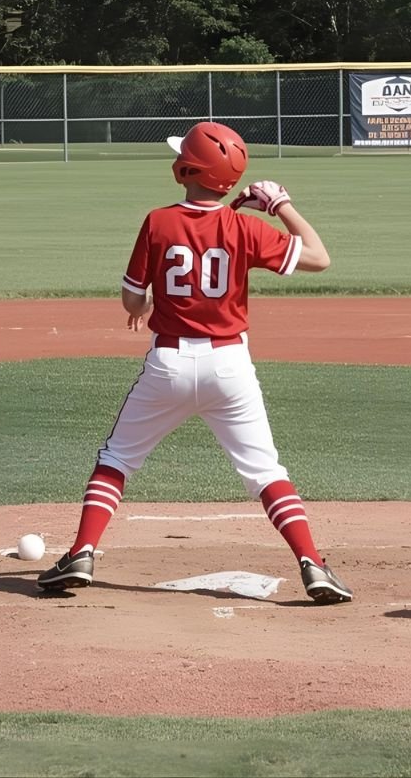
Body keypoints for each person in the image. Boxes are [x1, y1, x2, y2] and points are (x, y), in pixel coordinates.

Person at [38, 121, 352, 604]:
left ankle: (82, 552)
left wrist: (142, 308)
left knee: (117, 459)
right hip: (231, 367)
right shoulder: (244, 227)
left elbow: (130, 297)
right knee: (266, 471)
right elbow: (319, 258)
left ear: (185, 168)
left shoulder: (158, 221)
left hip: (169, 364)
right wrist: (279, 204)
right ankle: (314, 566)